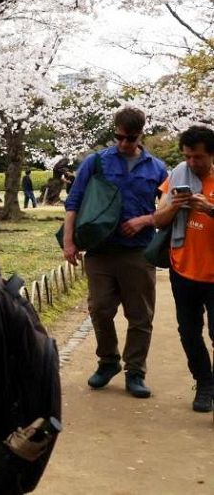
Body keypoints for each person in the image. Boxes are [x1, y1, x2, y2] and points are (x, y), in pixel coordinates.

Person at [62, 106, 168, 398]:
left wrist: (145, 220)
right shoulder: (96, 163)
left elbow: (169, 208)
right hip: (100, 250)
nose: (123, 143)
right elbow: (74, 202)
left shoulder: (157, 168)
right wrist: (69, 242)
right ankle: (108, 360)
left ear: (141, 135)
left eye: (130, 138)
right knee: (99, 308)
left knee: (140, 315)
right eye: (118, 136)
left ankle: (135, 371)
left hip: (138, 251)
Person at [153, 125, 214, 412]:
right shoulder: (178, 175)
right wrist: (175, 206)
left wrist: (208, 208)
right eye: (187, 156)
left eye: (198, 157)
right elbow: (158, 219)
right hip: (183, 269)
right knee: (189, 332)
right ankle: (204, 384)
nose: (192, 163)